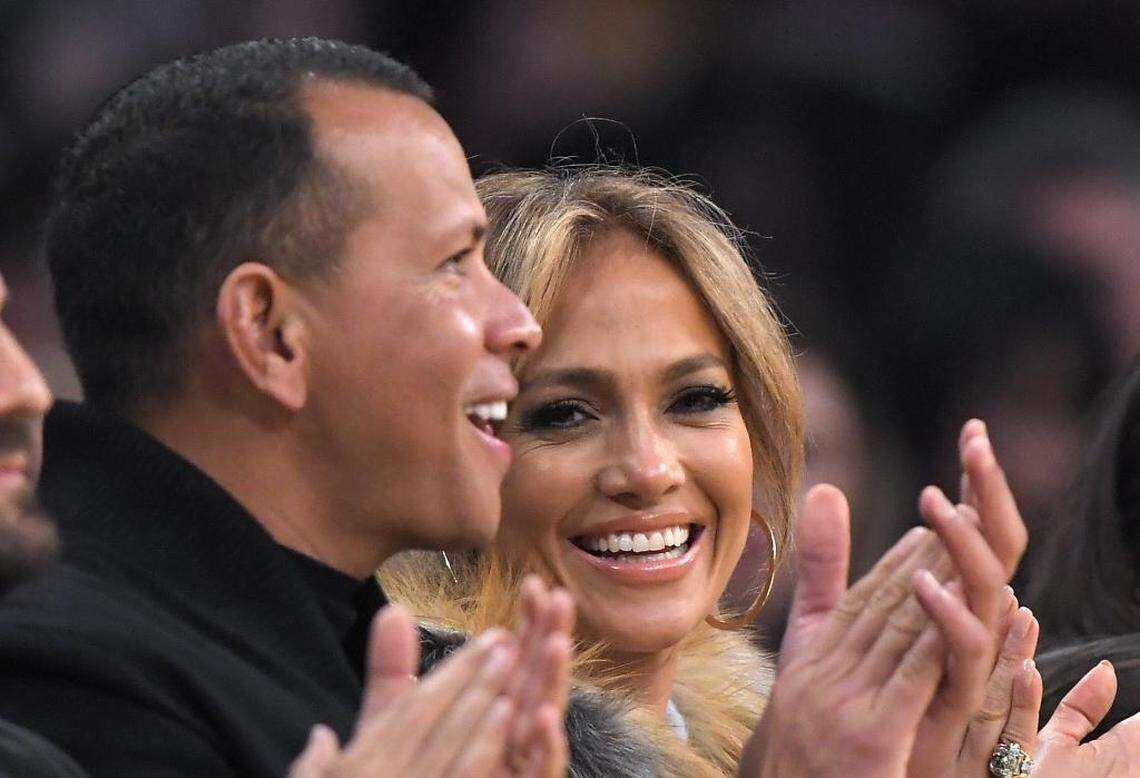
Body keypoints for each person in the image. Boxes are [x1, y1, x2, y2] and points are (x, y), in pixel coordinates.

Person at [382, 166, 1140, 776]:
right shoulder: (399, 742)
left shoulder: (790, 732)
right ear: (448, 447)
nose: (647, 469)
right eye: (562, 414)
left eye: (697, 399)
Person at [0, 38, 573, 777]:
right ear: (270, 335)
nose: (519, 324)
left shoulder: (372, 663)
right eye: (454, 264)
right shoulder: (72, 674)